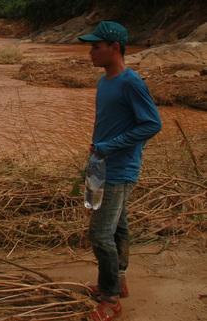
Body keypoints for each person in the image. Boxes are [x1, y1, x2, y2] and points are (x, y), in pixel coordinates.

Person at [78, 21, 161, 321]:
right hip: (102, 164)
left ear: (114, 48)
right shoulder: (105, 80)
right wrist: (98, 151)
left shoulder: (131, 82)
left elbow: (152, 123)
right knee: (118, 226)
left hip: (119, 169)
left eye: (95, 46)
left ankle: (110, 297)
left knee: (99, 234)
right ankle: (119, 281)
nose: (90, 52)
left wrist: (110, 145)